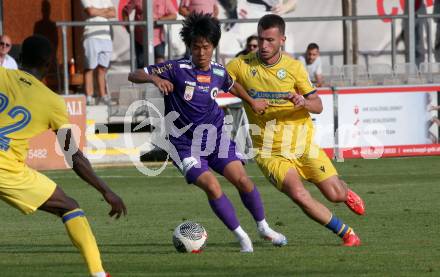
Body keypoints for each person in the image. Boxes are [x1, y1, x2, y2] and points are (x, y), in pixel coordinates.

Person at [128, 13, 286, 252]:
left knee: (243, 180)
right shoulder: (175, 68)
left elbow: (233, 85)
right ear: (189, 47)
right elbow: (134, 74)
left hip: (215, 139)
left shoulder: (219, 72)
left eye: (206, 47)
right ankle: (242, 237)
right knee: (212, 186)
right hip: (183, 145)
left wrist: (252, 102)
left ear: (213, 46)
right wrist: (153, 78)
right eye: (196, 47)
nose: (201, 52)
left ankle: (263, 227)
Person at [226, 14, 365, 247]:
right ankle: (347, 233)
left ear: (282, 40)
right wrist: (250, 99)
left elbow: (318, 105)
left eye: (270, 40)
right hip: (270, 151)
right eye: (261, 39)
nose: (264, 46)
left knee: (335, 195)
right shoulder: (241, 65)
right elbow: (221, 80)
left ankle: (345, 192)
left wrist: (303, 103)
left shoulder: (294, 68)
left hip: (303, 145)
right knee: (299, 194)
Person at [0, 35, 127, 277]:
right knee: (69, 206)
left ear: (18, 57)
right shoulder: (53, 102)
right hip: (6, 169)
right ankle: (99, 274)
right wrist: (105, 190)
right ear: (49, 64)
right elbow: (74, 157)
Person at [122, 0, 177, 66]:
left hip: (158, 40)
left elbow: (174, 15)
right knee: (143, 67)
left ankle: (158, 76)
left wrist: (159, 20)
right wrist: (129, 28)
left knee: (160, 65)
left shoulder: (164, 1)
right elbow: (125, 11)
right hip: (140, 40)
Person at [81, 0, 115, 106]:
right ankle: (89, 97)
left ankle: (103, 96)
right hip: (91, 35)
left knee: (103, 68)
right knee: (90, 67)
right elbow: (90, 12)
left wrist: (98, 11)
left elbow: (113, 13)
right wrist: (105, 11)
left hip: (106, 36)